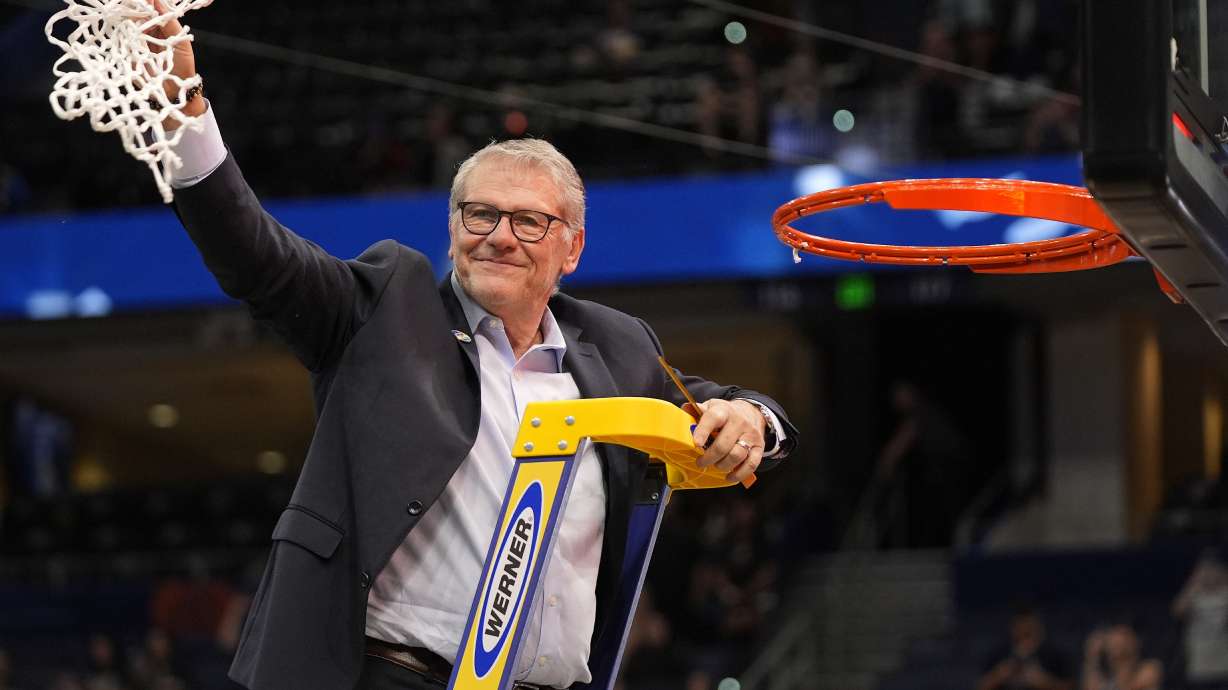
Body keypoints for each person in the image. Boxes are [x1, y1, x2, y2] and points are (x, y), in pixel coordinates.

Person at [142, 6, 797, 690]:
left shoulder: (619, 346)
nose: (499, 235)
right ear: (453, 229)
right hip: (387, 675)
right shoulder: (388, 305)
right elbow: (257, 257)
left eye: (529, 221)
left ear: (573, 248)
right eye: (479, 213)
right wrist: (182, 110)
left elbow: (726, 407)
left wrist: (753, 419)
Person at [977, 606, 1074, 690]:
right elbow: (981, 686)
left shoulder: (1054, 654)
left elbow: (1070, 687)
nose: (1023, 632)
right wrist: (999, 674)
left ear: (1038, 627)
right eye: (1020, 628)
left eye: (1028, 630)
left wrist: (1043, 681)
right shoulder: (999, 653)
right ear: (1013, 628)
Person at [1172, 551, 1228, 689]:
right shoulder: (1194, 594)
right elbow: (1177, 611)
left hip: (1223, 660)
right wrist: (1194, 583)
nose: (1210, 573)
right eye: (1206, 569)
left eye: (1214, 568)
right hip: (1200, 662)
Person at [1081, 622, 1163, 690]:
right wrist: (1093, 658)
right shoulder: (1106, 676)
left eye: (1124, 635)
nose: (1117, 641)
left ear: (1135, 640)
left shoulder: (1149, 668)